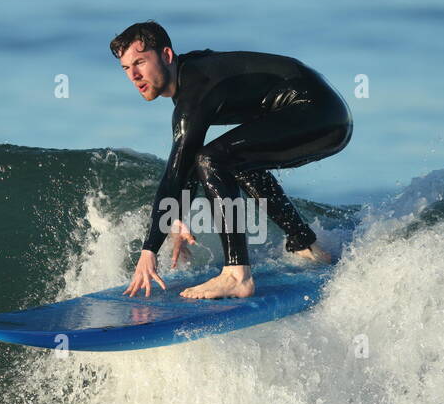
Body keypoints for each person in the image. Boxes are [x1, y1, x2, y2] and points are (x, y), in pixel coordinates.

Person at [111, 21, 352, 299]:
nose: (134, 75)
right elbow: (185, 159)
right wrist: (177, 218)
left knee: (213, 160)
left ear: (166, 55)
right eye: (127, 68)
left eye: (140, 62)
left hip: (316, 110)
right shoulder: (191, 77)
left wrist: (149, 249)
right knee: (232, 158)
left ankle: (237, 274)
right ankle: (306, 247)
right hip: (326, 113)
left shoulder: (195, 92)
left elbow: (175, 174)